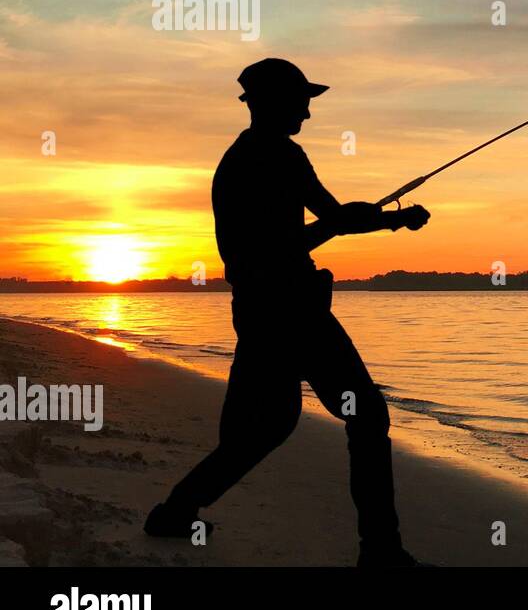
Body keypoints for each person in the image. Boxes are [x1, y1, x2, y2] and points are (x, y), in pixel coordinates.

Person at [144, 58, 431, 567]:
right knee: (365, 416)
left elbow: (314, 227)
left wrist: (380, 220)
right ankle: (381, 553)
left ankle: (175, 512)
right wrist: (386, 221)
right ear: (272, 102)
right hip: (293, 312)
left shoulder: (239, 159)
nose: (308, 111)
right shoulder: (279, 156)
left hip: (259, 312)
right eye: (301, 101)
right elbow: (322, 225)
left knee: (262, 431)